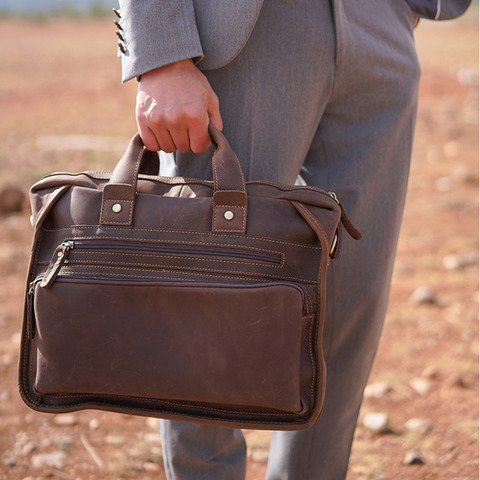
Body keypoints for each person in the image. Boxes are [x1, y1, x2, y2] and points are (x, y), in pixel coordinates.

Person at [114, 1, 471, 478]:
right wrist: (162, 54)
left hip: (378, 26)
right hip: (249, 32)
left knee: (349, 307)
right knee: (210, 302)